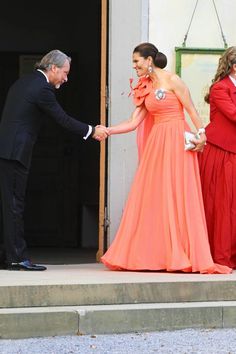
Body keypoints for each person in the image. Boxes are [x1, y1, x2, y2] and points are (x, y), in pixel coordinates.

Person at [101, 42, 232, 274]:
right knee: (153, 195)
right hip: (157, 145)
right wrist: (108, 130)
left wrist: (202, 135)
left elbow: (191, 110)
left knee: (179, 194)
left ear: (148, 60)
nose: (134, 66)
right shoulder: (144, 87)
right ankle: (156, 253)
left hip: (177, 142)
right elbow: (133, 122)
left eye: (136, 61)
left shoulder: (173, 80)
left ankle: (181, 253)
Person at [0, 49, 108, 271]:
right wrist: (91, 130)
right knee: (14, 206)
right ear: (53, 68)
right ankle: (16, 258)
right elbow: (62, 119)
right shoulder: (42, 89)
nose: (66, 78)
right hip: (14, 153)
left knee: (9, 204)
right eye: (65, 73)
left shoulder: (24, 82)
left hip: (9, 150)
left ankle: (9, 255)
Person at [198, 46, 236, 269]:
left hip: (231, 151)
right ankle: (220, 255)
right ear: (234, 67)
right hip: (221, 153)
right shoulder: (219, 88)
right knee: (222, 205)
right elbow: (233, 114)